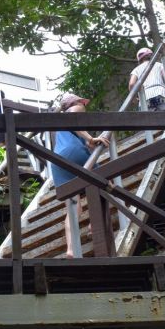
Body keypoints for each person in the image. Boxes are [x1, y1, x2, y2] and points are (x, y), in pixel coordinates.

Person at [49, 93, 109, 259]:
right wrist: (92, 137)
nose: (84, 106)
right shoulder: (74, 108)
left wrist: (89, 143)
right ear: (75, 102)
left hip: (58, 161)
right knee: (104, 183)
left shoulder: (59, 125)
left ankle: (71, 249)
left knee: (73, 206)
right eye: (83, 103)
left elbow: (75, 134)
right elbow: (74, 122)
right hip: (74, 154)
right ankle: (93, 225)